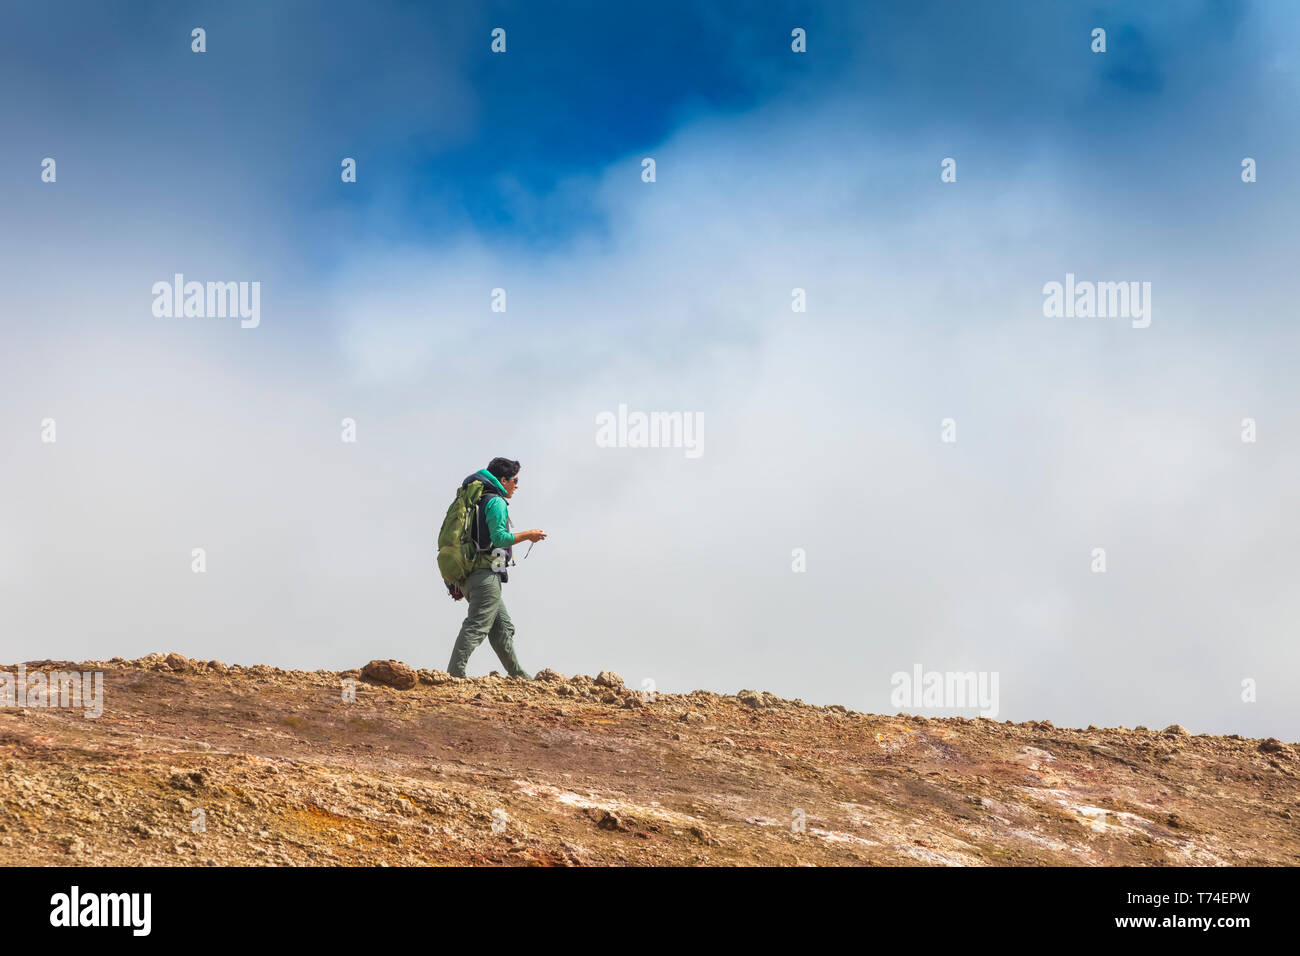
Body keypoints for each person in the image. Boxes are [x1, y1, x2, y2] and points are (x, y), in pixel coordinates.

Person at [446, 457, 546, 679]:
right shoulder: (496, 502)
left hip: (471, 575)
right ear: (504, 480)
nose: (517, 486)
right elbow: (500, 538)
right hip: (485, 575)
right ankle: (454, 674)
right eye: (515, 480)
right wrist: (529, 535)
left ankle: (519, 676)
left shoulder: (476, 500)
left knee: (502, 628)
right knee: (477, 626)